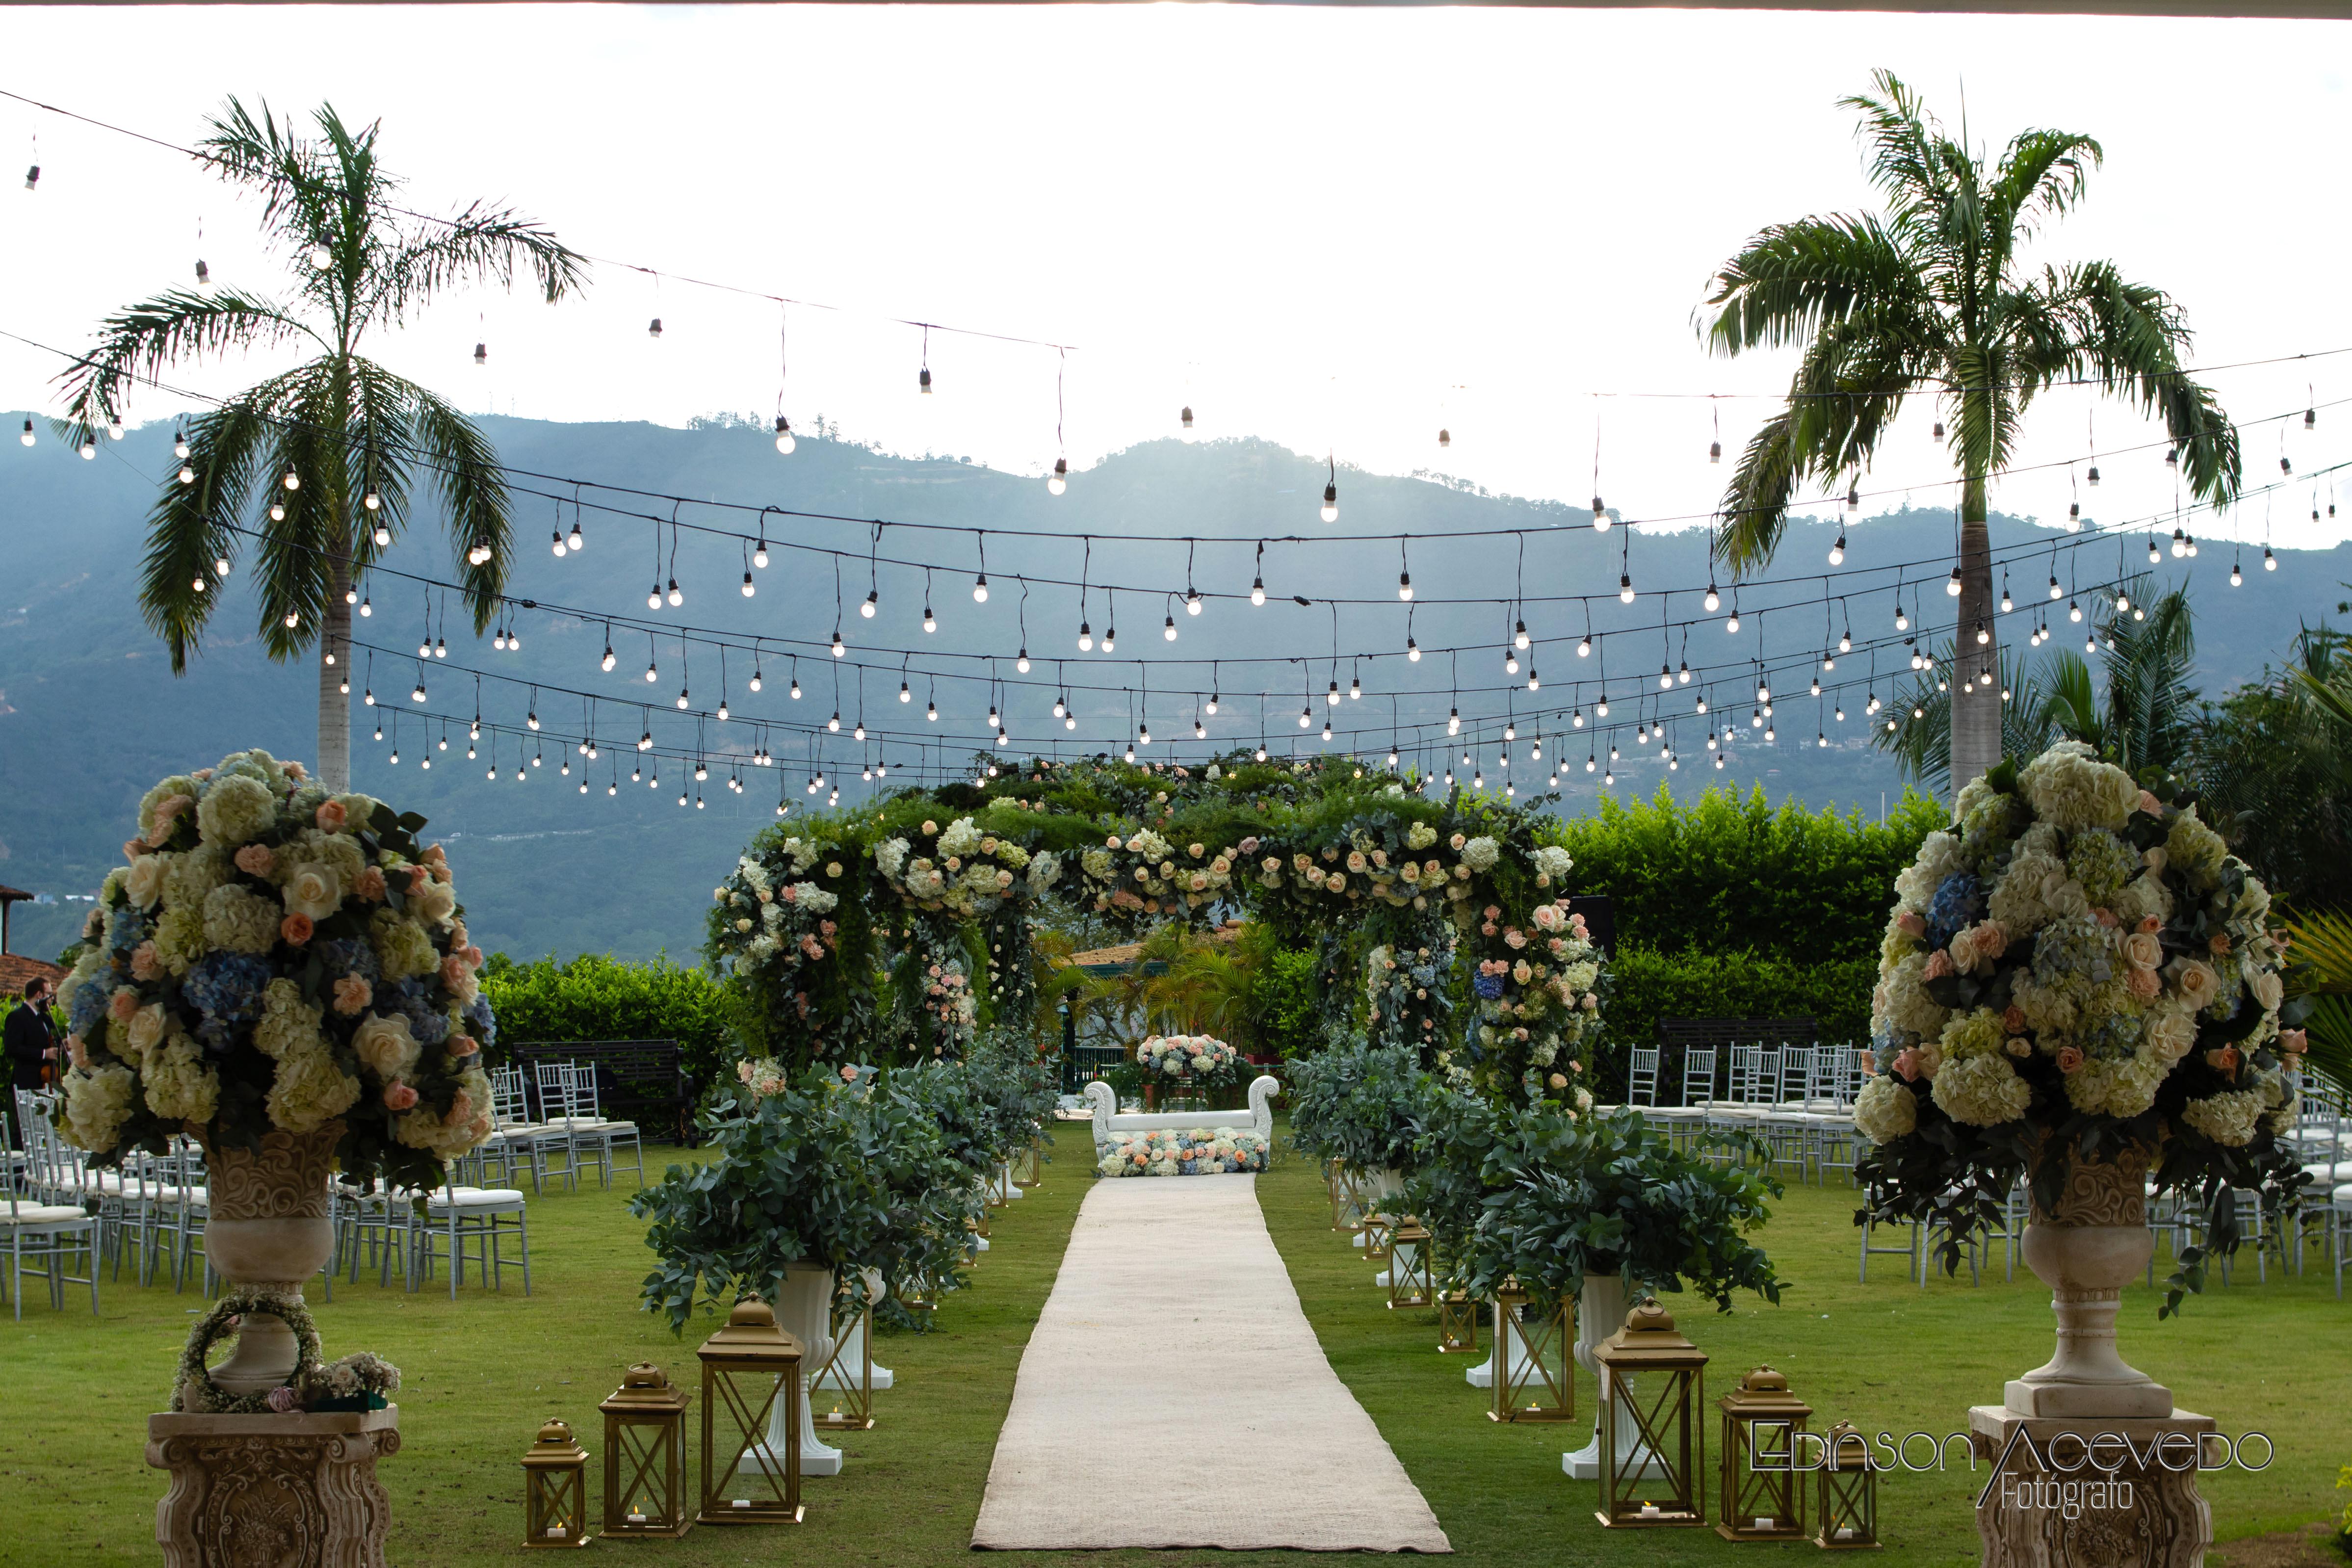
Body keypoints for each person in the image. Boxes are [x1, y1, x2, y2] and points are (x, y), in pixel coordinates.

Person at [5, 977, 58, 1094]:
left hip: (45, 1082)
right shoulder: (17, 1016)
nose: (52, 999)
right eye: (49, 995)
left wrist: (61, 1046)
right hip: (27, 1084)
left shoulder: (44, 1018)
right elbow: (12, 1049)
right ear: (39, 995)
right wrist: (44, 1054)